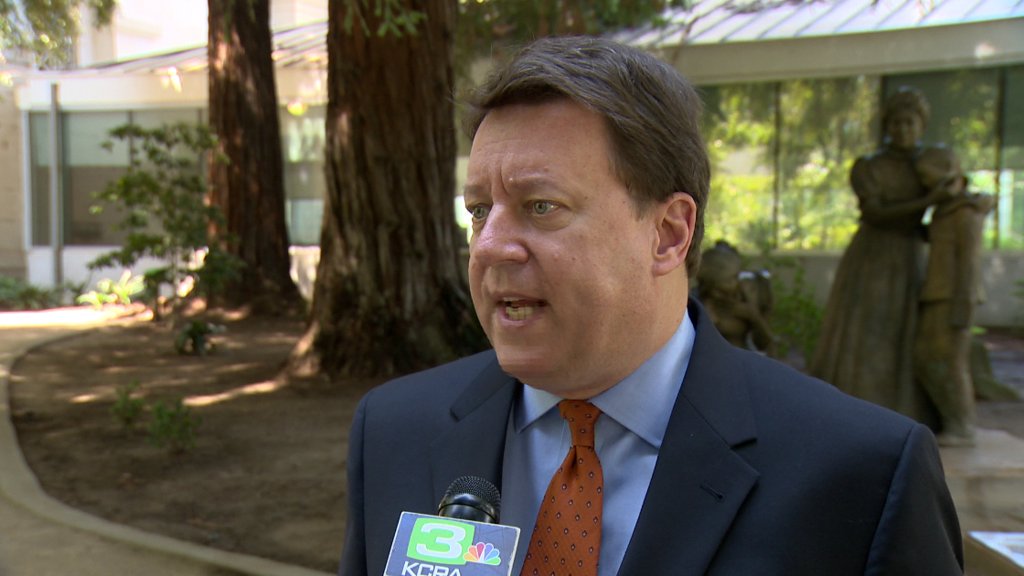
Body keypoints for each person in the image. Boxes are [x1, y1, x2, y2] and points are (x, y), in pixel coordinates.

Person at [339, 37, 962, 576]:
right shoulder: (394, 430)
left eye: (541, 206)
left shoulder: (862, 474)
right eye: (480, 210)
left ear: (667, 234)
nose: (491, 245)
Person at [809, 87, 951, 429]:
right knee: (868, 332)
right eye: (896, 122)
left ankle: (907, 411)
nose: (903, 129)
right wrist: (927, 201)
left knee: (908, 334)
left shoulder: (928, 165)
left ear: (922, 125)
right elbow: (874, 212)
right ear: (887, 125)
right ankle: (858, 408)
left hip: (910, 255)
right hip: (873, 257)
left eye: (910, 123)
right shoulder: (870, 166)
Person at [914, 146, 995, 446]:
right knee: (926, 358)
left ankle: (961, 426)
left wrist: (964, 305)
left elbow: (969, 263)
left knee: (950, 361)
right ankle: (951, 420)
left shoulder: (966, 214)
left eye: (931, 180)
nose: (928, 187)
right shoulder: (942, 213)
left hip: (955, 297)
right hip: (935, 294)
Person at [696, 240, 777, 355]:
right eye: (731, 279)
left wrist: (753, 316)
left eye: (737, 276)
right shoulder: (697, 303)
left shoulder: (743, 297)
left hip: (742, 359)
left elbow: (766, 344)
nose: (738, 282)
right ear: (713, 283)